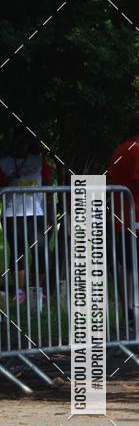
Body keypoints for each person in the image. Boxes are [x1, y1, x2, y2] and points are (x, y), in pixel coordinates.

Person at [106, 111, 139, 312]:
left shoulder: (120, 149)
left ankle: (130, 308)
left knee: (125, 264)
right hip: (135, 217)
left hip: (120, 217)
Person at [0, 126, 52, 301]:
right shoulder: (4, 163)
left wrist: (51, 214)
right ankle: (20, 291)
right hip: (11, 214)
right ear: (13, 142)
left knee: (40, 251)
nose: (21, 145)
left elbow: (49, 188)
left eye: (24, 141)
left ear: (30, 143)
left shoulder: (39, 161)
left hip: (36, 214)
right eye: (18, 141)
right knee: (17, 251)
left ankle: (36, 290)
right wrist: (5, 182)